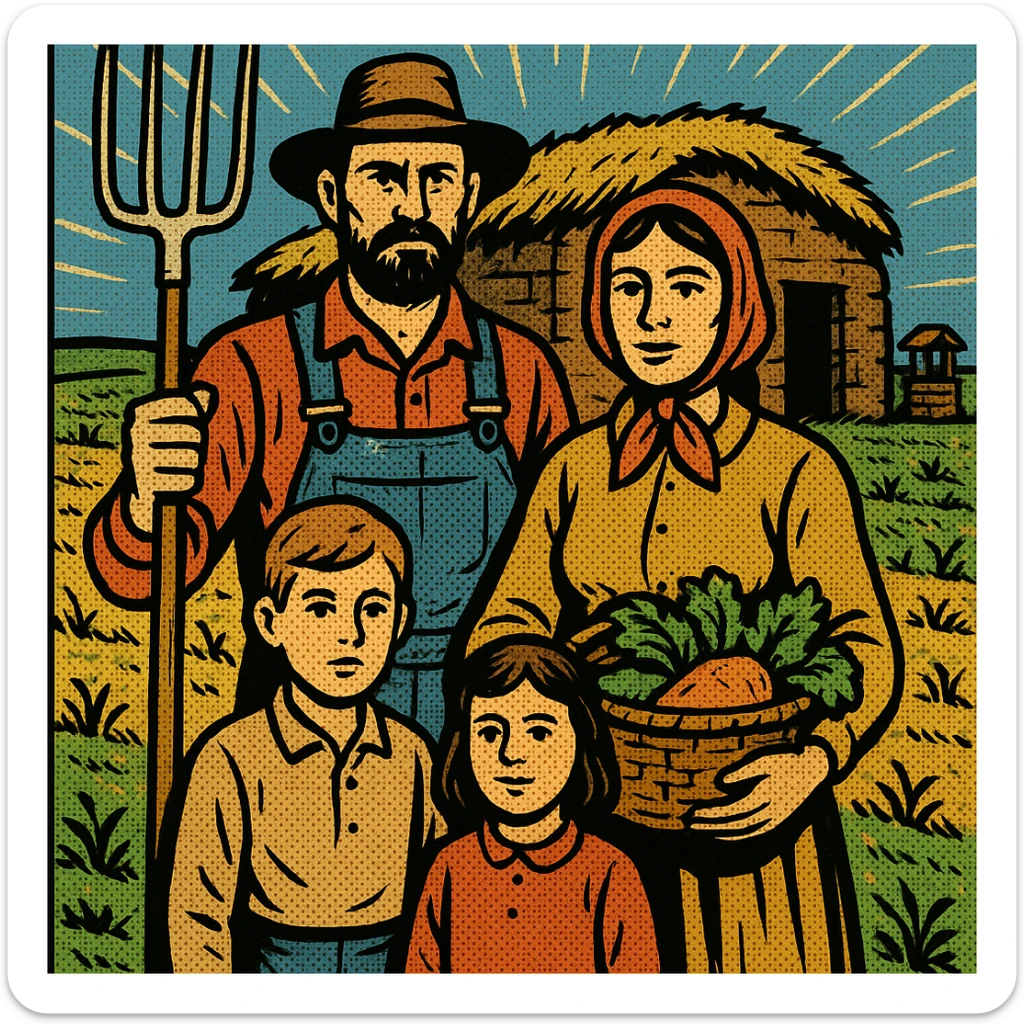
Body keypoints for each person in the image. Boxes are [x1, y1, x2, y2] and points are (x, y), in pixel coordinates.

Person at [462, 186, 903, 973]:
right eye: (630, 288)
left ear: (734, 307)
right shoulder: (574, 469)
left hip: (758, 836)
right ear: (601, 307)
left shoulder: (797, 470)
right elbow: (503, 625)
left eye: (686, 287)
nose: (654, 316)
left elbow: (864, 645)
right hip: (597, 829)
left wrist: (814, 760)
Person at [85, 53, 574, 741]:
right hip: (301, 765)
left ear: (469, 195)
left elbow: (570, 570)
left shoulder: (524, 376)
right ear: (332, 195)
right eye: (384, 179)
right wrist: (144, 497)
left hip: (481, 762)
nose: (413, 206)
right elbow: (150, 578)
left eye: (437, 179)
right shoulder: (252, 367)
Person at [165, 498, 444, 973]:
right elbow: (197, 913)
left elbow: (443, 898)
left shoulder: (413, 755)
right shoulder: (231, 755)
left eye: (372, 609)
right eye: (321, 608)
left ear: (400, 622)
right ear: (271, 623)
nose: (349, 634)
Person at [405, 640, 660, 974]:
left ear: (580, 739)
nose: (511, 753)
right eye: (490, 732)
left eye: (539, 732)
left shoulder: (610, 870)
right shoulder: (449, 866)